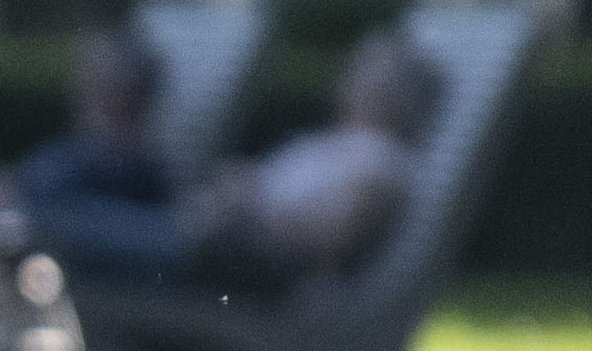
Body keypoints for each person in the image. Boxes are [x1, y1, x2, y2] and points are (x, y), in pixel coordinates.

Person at [183, 29, 444, 295]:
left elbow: (333, 239)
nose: (351, 75)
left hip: (258, 268)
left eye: (369, 71)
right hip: (214, 237)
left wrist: (249, 205)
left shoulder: (383, 161)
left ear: (396, 96)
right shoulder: (330, 142)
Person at [0, 21, 189, 289]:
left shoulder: (133, 169)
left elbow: (167, 239)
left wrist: (20, 212)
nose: (75, 84)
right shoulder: (71, 155)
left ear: (119, 93)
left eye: (90, 75)